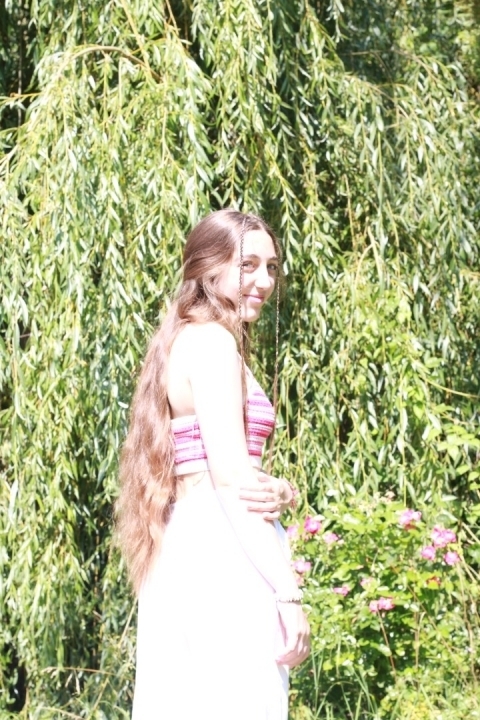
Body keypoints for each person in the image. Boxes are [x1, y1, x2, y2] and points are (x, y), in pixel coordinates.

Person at [116, 209, 310, 720]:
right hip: (225, 548)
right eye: (248, 265)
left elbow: (211, 463)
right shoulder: (214, 342)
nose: (264, 281)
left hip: (193, 540)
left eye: (272, 267)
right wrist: (288, 593)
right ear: (207, 267)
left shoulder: (185, 338)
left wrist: (280, 489)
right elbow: (228, 480)